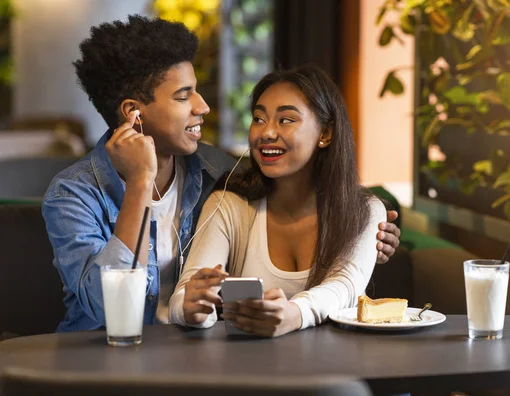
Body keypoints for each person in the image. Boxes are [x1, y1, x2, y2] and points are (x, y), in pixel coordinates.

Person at [42, 15, 400, 333]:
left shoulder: (219, 172)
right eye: (184, 97)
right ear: (134, 113)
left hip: (193, 352)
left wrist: (365, 233)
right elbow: (113, 308)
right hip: (103, 355)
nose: (203, 106)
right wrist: (139, 184)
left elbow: (294, 186)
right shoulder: (72, 195)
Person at [169, 65, 389, 337]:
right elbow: (185, 293)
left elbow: (344, 286)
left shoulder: (365, 210)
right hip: (248, 371)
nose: (267, 133)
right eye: (259, 119)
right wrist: (192, 308)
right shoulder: (229, 204)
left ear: (325, 134)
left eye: (286, 120)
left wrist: (293, 315)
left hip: (336, 369)